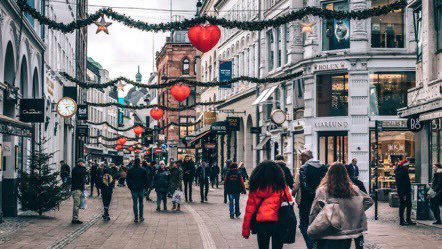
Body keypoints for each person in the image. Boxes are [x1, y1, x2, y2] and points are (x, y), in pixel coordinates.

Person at [309, 163, 373, 249]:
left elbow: (315, 210)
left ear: (329, 174)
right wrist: (355, 210)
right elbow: (368, 201)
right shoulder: (353, 189)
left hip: (328, 230)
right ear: (345, 174)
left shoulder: (323, 190)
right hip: (346, 233)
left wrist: (312, 224)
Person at [242, 160, 293, 249]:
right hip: (279, 222)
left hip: (262, 224)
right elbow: (289, 202)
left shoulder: (255, 188)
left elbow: (249, 210)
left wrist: (246, 230)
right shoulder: (281, 186)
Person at [292, 150, 327, 249]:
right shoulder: (323, 167)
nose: (299, 160)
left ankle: (311, 246)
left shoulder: (304, 168)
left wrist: (312, 195)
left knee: (304, 226)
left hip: (306, 202)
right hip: (321, 200)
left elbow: (304, 186)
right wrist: (319, 196)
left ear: (306, 157)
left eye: (301, 158)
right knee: (319, 223)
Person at [126, 158, 148, 223]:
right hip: (141, 188)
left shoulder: (130, 170)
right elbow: (146, 179)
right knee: (141, 203)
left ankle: (136, 217)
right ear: (139, 162)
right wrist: (145, 187)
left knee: (135, 203)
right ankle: (141, 217)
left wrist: (130, 187)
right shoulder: (143, 170)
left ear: (134, 162)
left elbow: (127, 180)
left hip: (133, 189)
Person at [395, 160, 416, 226]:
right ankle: (403, 220)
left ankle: (406, 219)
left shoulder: (401, 171)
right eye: (407, 166)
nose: (408, 167)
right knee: (403, 206)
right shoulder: (402, 172)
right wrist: (403, 194)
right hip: (404, 192)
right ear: (405, 166)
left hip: (405, 191)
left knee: (407, 205)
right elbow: (402, 184)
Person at [71, 159, 87, 224]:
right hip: (76, 189)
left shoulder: (80, 169)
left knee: (78, 204)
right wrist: (84, 168)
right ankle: (74, 219)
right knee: (76, 204)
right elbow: (81, 174)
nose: (84, 164)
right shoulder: (76, 169)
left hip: (80, 189)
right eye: (83, 163)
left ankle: (75, 218)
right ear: (79, 163)